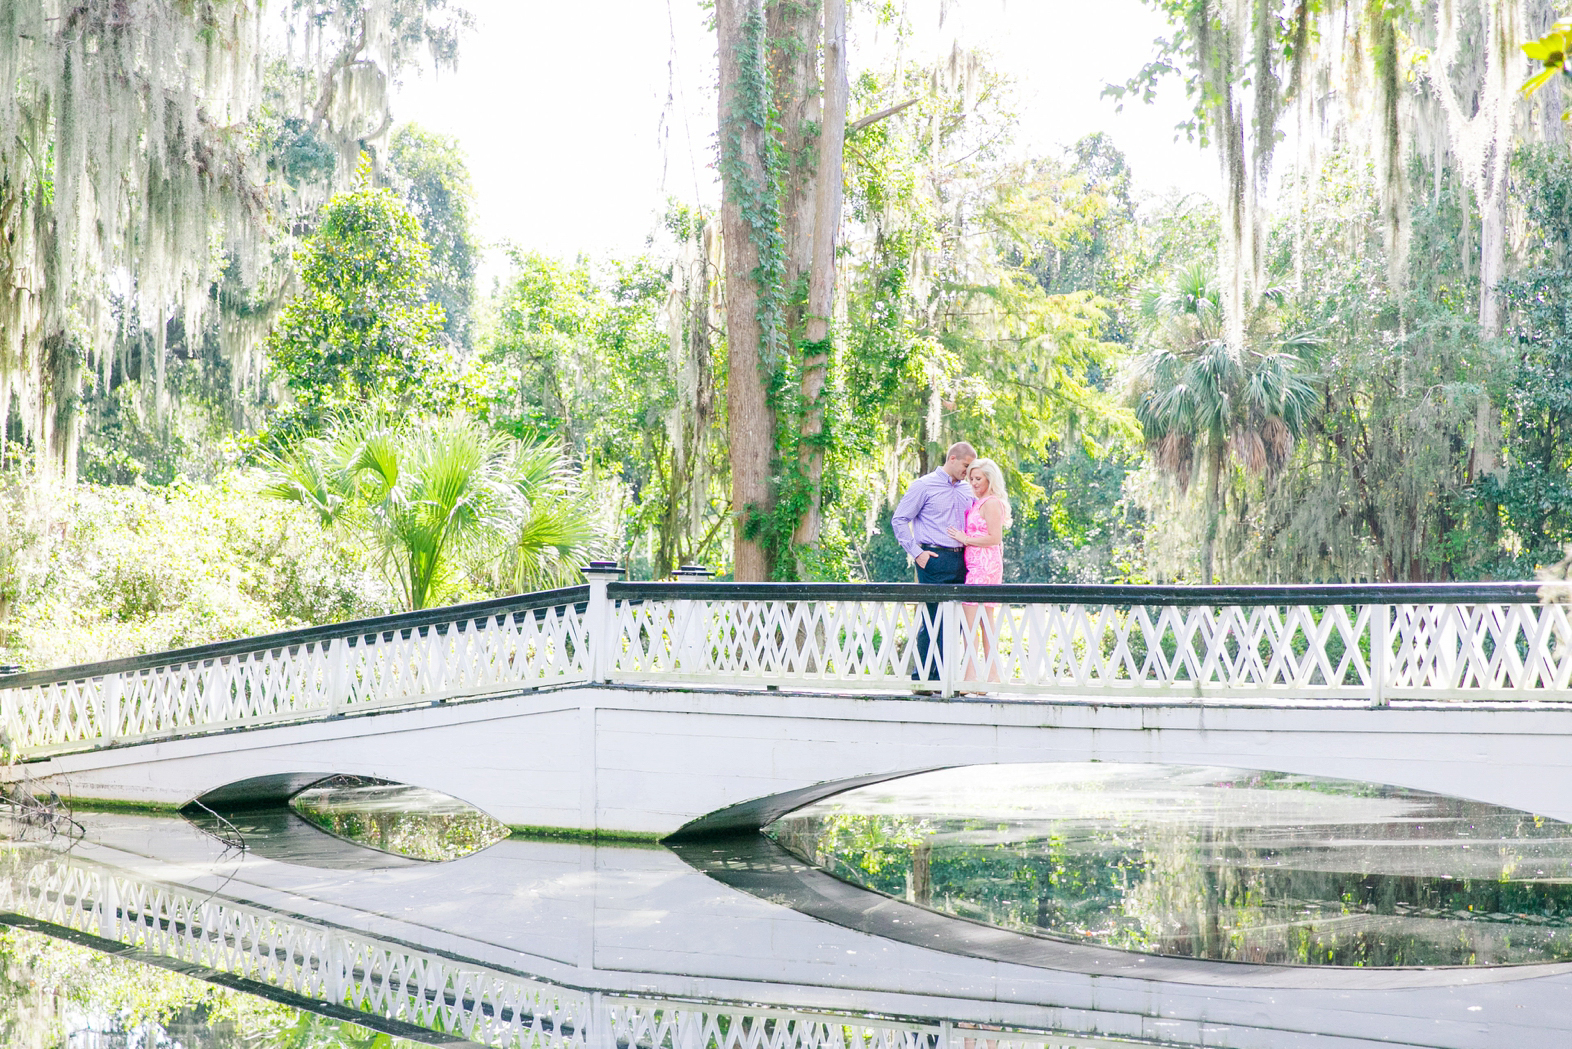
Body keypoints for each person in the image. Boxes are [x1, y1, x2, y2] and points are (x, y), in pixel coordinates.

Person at [891, 441, 976, 684]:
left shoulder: (967, 490)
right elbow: (899, 520)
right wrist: (917, 553)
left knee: (956, 623)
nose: (968, 472)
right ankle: (923, 679)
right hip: (933, 558)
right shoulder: (924, 485)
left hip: (962, 559)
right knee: (933, 619)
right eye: (966, 465)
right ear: (952, 459)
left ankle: (946, 679)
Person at [947, 457, 1011, 686]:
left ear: (989, 479)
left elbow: (995, 538)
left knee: (973, 622)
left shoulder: (991, 503)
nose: (973, 483)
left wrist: (966, 539)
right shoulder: (978, 502)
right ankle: (987, 676)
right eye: (971, 478)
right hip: (975, 565)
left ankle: (973, 676)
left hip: (985, 566)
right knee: (981, 623)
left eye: (978, 479)